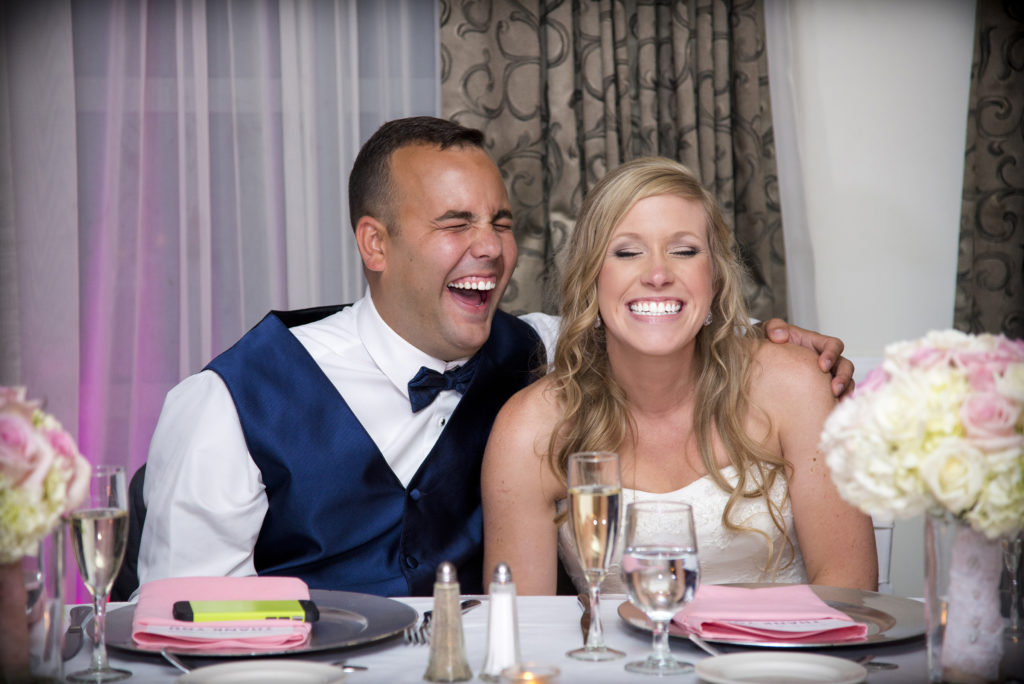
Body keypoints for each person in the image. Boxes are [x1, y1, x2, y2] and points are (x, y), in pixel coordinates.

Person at [137, 117, 856, 597]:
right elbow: (185, 630)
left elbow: (659, 313)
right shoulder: (225, 404)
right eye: (456, 224)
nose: (489, 247)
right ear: (375, 244)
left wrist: (782, 342)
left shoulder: (543, 351)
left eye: (500, 222)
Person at [481, 157, 878, 595]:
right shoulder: (530, 430)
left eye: (684, 251)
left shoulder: (796, 386)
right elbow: (522, 629)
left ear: (716, 277)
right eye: (628, 252)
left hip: (781, 661)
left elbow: (850, 589)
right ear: (592, 277)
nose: (657, 275)